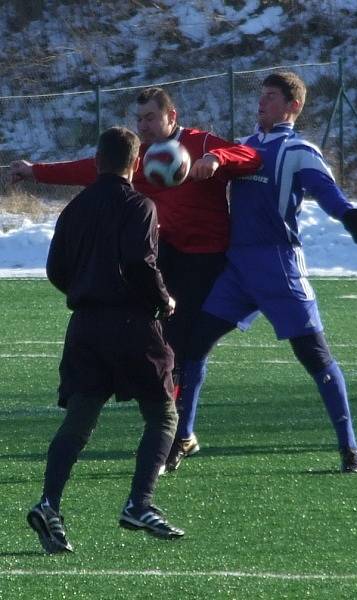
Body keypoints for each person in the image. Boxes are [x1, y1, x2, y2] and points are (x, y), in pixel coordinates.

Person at [10, 87, 261, 465]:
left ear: (171, 116)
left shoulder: (199, 141)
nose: (143, 126)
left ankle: (176, 434)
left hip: (204, 260)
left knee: (184, 348)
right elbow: (88, 169)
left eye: (150, 118)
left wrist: (215, 158)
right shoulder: (139, 157)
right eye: (139, 119)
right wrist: (36, 172)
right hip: (165, 257)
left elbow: (252, 157)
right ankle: (177, 430)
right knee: (167, 347)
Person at [165, 71, 357, 474]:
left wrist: (346, 213)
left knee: (315, 356)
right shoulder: (241, 147)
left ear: (293, 106)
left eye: (272, 97)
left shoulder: (299, 150)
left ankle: (349, 446)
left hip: (279, 269)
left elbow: (324, 189)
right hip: (238, 269)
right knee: (192, 349)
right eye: (261, 96)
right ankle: (181, 439)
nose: (262, 103)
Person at [27, 126, 184, 555]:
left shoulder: (74, 210)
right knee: (163, 415)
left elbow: (56, 270)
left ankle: (49, 504)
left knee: (79, 420)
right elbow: (140, 261)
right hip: (132, 326)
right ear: (136, 164)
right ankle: (139, 502)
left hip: (84, 326)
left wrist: (86, 290)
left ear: (96, 162)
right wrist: (163, 298)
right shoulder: (140, 205)